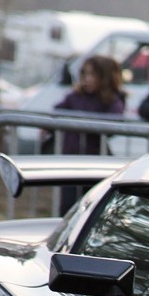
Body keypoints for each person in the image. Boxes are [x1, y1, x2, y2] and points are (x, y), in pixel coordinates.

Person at [50, 54, 125, 214]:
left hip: (95, 165)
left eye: (92, 74)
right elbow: (57, 112)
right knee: (67, 207)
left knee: (92, 208)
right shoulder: (75, 96)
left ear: (104, 77)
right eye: (84, 73)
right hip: (70, 163)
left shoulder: (112, 101)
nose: (87, 79)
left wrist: (85, 124)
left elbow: (113, 123)